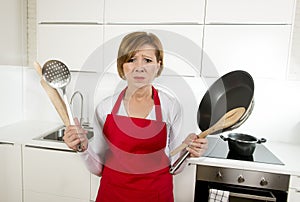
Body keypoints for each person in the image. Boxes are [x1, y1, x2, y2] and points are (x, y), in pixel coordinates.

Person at [63, 31, 208, 202]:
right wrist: (83, 148)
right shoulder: (105, 108)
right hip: (112, 195)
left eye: (147, 60)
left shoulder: (170, 106)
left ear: (158, 66)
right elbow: (98, 169)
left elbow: (175, 167)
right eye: (131, 59)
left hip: (156, 195)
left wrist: (188, 151)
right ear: (122, 66)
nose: (139, 67)